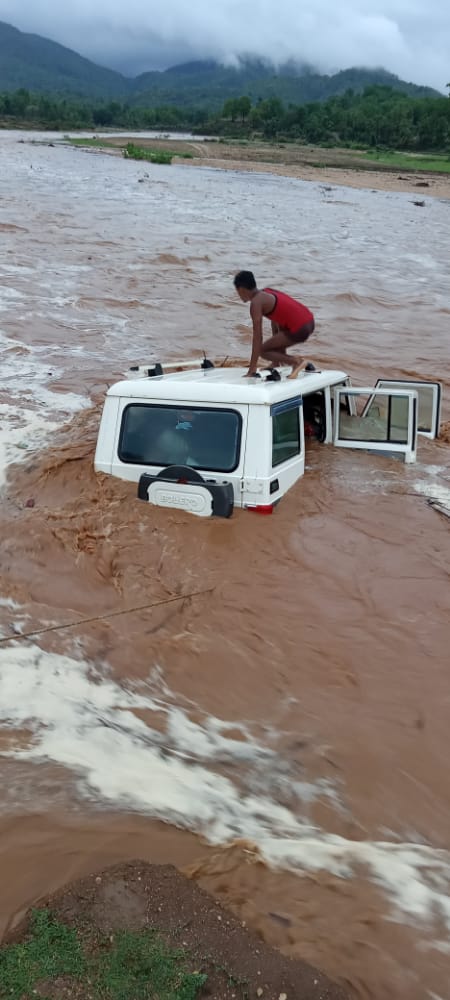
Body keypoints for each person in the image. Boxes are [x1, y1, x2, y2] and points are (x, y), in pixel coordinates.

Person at [233, 270, 315, 378]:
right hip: (309, 322)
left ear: (242, 289)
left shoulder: (256, 303)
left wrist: (252, 370)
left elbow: (258, 337)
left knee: (263, 350)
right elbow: (276, 320)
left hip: (300, 329)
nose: (238, 294)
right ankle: (278, 363)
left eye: (237, 291)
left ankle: (296, 362)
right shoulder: (267, 292)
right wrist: (276, 359)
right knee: (275, 322)